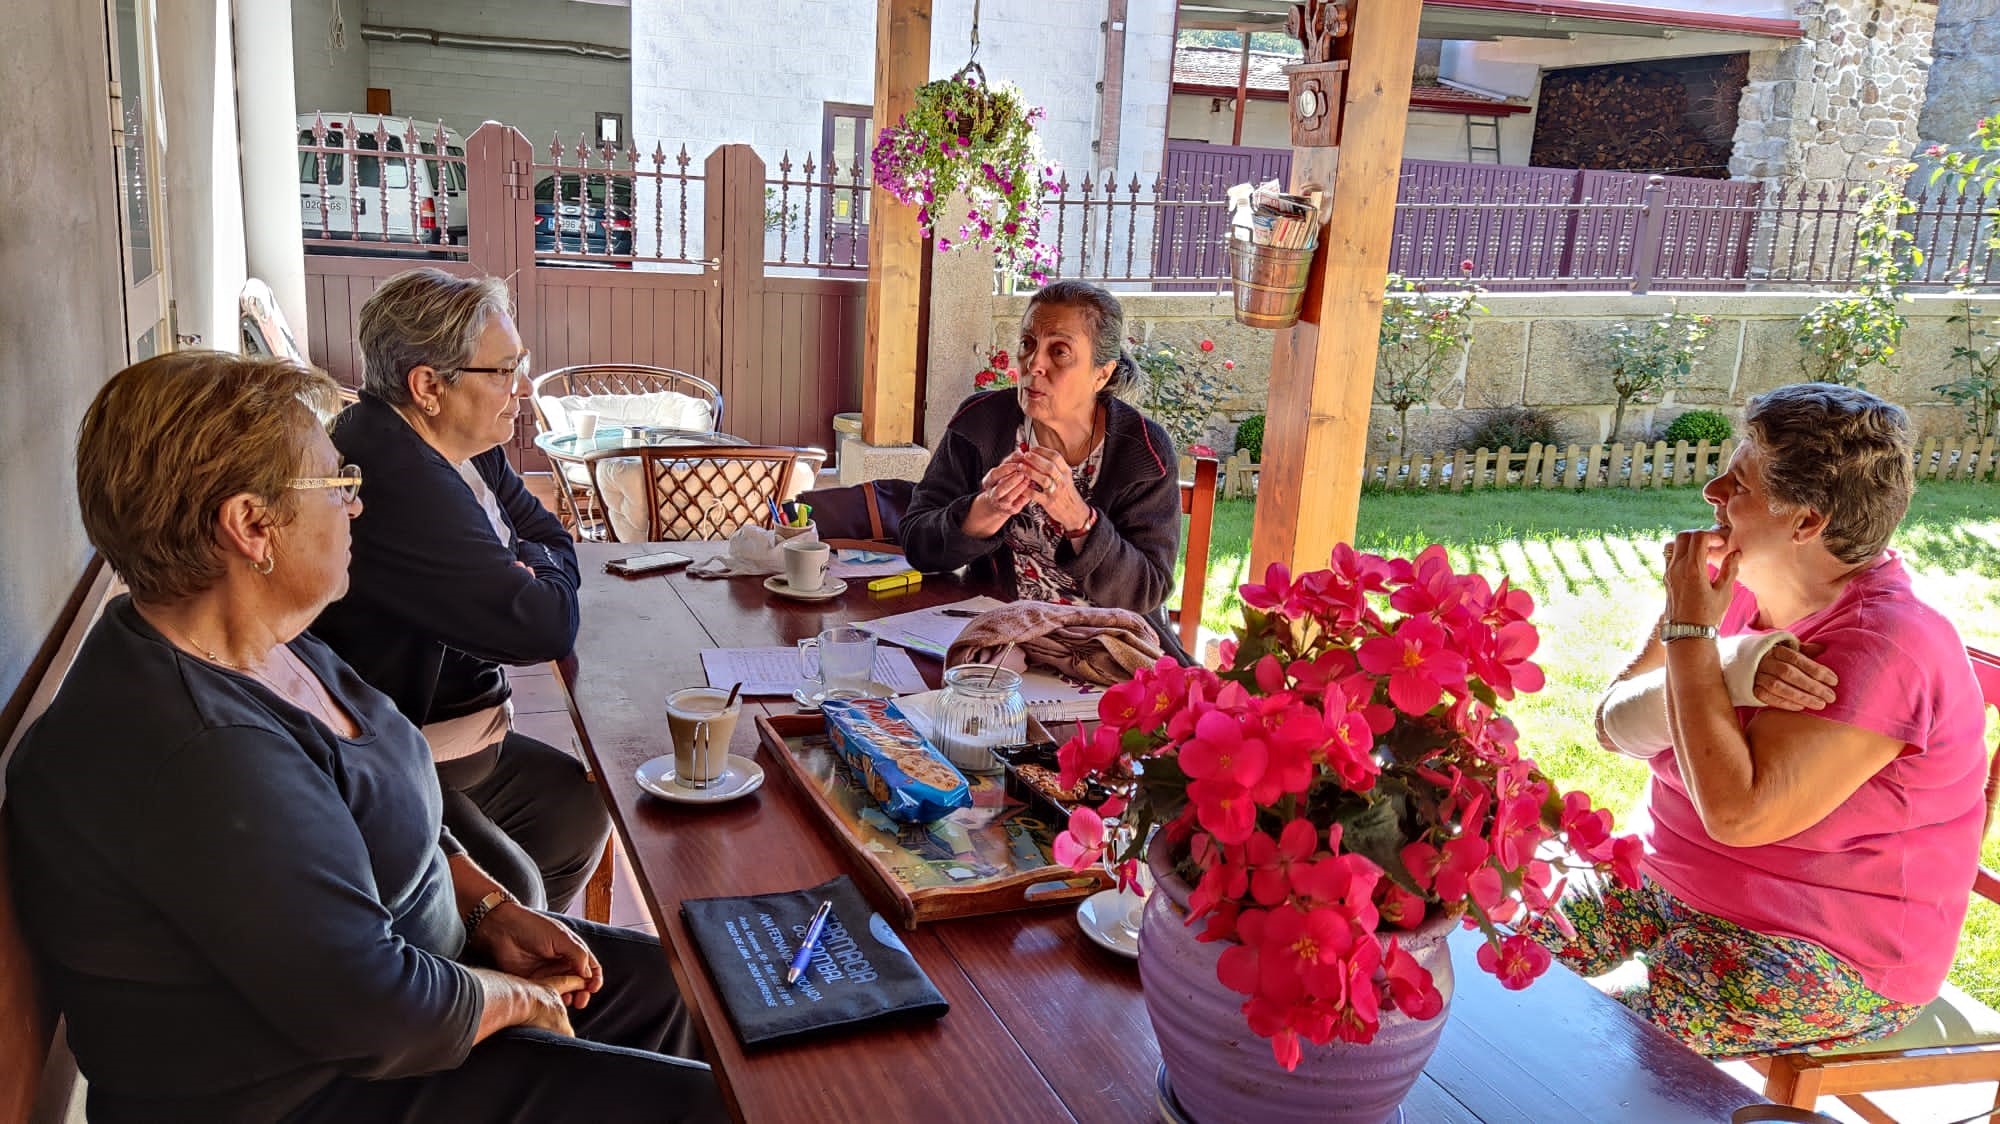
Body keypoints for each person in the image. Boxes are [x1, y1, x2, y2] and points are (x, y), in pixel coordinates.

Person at [5, 352, 724, 1122]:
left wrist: (487, 909)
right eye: (338, 485)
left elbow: (385, 798)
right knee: (702, 1106)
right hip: (308, 1090)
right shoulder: (197, 752)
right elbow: (375, 1010)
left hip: (407, 992)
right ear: (252, 526)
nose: (357, 507)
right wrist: (512, 998)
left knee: (683, 991)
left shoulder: (265, 639)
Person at [1530, 382, 1987, 1058]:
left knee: (1590, 1043)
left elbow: (1740, 817)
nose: (1713, 490)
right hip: (1664, 882)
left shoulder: (1889, 647)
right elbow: (1611, 722)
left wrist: (1692, 633)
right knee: (1506, 941)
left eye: (1738, 482)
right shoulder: (1738, 593)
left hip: (1826, 955)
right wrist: (1716, 646)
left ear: (1804, 522)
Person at [312, 268, 609, 912]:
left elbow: (544, 532)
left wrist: (528, 557)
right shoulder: (394, 476)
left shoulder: (468, 444)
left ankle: (532, 957)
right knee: (520, 880)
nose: (522, 389)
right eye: (503, 372)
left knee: (575, 808)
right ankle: (504, 976)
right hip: (404, 754)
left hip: (469, 744)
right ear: (428, 387)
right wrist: (531, 564)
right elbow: (542, 625)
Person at [902, 279, 1189, 662]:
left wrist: (1078, 518)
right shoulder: (982, 424)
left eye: (1060, 352)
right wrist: (985, 512)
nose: (1034, 364)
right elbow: (917, 543)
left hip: (1108, 649)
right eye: (1028, 344)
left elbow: (1146, 591)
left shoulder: (1143, 451)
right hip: (1001, 638)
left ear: (1101, 374)